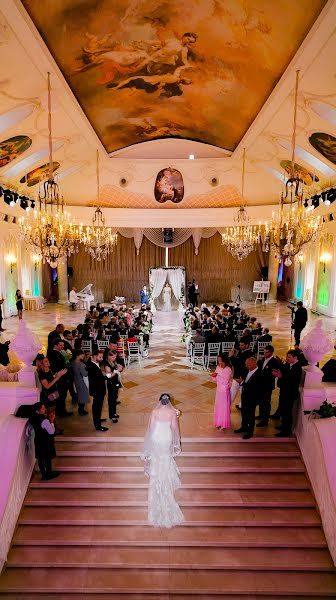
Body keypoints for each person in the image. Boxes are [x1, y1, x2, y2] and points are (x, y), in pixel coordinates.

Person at [142, 393, 184, 528]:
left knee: (157, 457)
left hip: (157, 437)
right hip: (166, 437)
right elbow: (174, 428)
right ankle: (165, 474)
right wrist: (176, 441)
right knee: (165, 457)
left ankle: (157, 474)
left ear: (159, 401)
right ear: (169, 402)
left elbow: (151, 428)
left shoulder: (154, 411)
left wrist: (151, 439)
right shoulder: (172, 412)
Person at [272, 349, 302, 437]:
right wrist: (280, 365)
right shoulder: (288, 364)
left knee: (287, 413)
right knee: (283, 411)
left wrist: (281, 376)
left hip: (290, 394)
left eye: (289, 357)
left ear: (295, 357)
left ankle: (286, 431)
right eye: (287, 356)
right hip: (284, 392)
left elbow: (292, 381)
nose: (287, 358)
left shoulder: (298, 367)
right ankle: (283, 426)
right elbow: (284, 372)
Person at [29, 402, 59, 480]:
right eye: (43, 408)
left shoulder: (32, 418)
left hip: (38, 440)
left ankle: (43, 474)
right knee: (47, 458)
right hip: (45, 441)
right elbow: (51, 432)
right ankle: (49, 474)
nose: (45, 409)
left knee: (40, 458)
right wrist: (52, 421)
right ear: (38, 410)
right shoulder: (44, 420)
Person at [234, 357, 262, 439]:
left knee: (250, 415)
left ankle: (250, 431)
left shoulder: (259, 373)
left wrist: (242, 382)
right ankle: (244, 427)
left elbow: (253, 387)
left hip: (252, 398)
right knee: (244, 412)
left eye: (247, 364)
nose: (246, 366)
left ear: (253, 364)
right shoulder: (247, 371)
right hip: (245, 396)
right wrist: (241, 381)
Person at [37, 356, 67, 434]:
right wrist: (56, 378)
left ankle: (54, 428)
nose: (48, 362)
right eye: (46, 361)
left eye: (48, 360)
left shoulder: (49, 370)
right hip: (48, 395)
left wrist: (59, 375)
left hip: (54, 393)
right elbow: (47, 386)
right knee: (51, 413)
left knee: (53, 412)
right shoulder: (42, 374)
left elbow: (53, 379)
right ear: (41, 364)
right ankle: (53, 429)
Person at [47, 339, 73, 417]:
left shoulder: (56, 352)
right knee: (61, 395)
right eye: (60, 345)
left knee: (62, 395)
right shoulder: (55, 354)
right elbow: (58, 366)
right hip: (61, 377)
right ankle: (61, 412)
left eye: (63, 345)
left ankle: (61, 411)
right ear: (55, 345)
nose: (62, 347)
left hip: (61, 376)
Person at [256, 345, 278, 427]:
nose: (264, 354)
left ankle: (265, 420)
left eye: (267, 352)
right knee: (261, 401)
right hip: (261, 384)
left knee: (266, 402)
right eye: (264, 352)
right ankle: (261, 415)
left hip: (267, 385)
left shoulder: (274, 362)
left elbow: (272, 374)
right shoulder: (263, 360)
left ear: (271, 352)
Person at [86, 349, 108, 431]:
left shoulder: (95, 363)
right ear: (94, 356)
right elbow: (99, 378)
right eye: (100, 357)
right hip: (97, 390)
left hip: (98, 389)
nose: (102, 358)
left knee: (99, 406)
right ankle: (97, 425)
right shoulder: (91, 366)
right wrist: (108, 375)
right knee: (97, 407)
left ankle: (98, 419)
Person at [211, 354, 232, 430]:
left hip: (224, 391)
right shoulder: (218, 367)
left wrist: (217, 376)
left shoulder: (228, 369)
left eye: (219, 360)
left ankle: (224, 423)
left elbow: (225, 381)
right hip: (218, 390)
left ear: (224, 360)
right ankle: (218, 422)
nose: (218, 361)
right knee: (218, 406)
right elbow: (214, 379)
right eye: (218, 359)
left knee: (223, 407)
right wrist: (213, 376)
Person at [103, 349, 122, 423]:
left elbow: (115, 369)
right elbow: (109, 376)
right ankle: (112, 416)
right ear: (108, 356)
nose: (114, 358)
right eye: (113, 357)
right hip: (111, 384)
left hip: (115, 382)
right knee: (111, 400)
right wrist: (117, 371)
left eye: (115, 357)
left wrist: (118, 368)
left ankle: (114, 413)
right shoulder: (106, 364)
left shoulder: (112, 362)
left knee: (114, 399)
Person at [71, 349, 90, 415]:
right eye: (82, 354)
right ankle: (81, 410)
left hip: (76, 380)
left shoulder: (73, 362)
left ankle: (81, 409)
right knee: (82, 396)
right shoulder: (79, 364)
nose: (83, 355)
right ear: (77, 355)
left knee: (80, 395)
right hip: (82, 381)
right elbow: (85, 373)